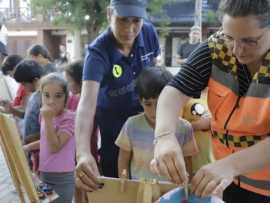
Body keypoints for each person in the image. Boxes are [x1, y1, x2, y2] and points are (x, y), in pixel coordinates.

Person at [151, 0, 270, 203]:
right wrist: (164, 137)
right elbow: (174, 91)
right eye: (230, 37)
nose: (237, 51)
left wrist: (230, 165)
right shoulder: (216, 49)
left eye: (250, 41)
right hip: (230, 182)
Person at [75, 0, 160, 191]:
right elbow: (86, 104)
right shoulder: (97, 53)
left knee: (149, 185)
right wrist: (82, 153)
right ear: (109, 14)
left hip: (146, 130)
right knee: (116, 187)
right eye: (123, 20)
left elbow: (156, 77)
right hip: (114, 133)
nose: (130, 29)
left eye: (136, 21)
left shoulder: (149, 33)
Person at [115, 67, 198, 180]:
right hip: (139, 192)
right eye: (148, 104)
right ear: (140, 101)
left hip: (170, 193)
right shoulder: (131, 125)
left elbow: (187, 165)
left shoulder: (184, 128)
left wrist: (186, 188)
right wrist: (123, 181)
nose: (154, 111)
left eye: (160, 104)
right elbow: (123, 160)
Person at [25, 73, 75, 203]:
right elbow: (46, 141)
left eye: (58, 96)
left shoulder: (69, 118)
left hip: (62, 177)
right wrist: (28, 147)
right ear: (40, 95)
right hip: (45, 173)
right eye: (46, 95)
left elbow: (54, 147)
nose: (51, 101)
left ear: (65, 98)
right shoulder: (44, 116)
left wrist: (48, 120)